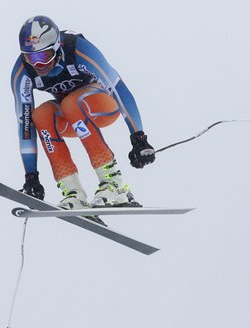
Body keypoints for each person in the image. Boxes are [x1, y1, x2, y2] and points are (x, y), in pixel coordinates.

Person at [10, 15, 155, 212]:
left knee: (71, 103)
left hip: (103, 105)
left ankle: (113, 184)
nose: (38, 65)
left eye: (43, 56)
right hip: (73, 119)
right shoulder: (23, 71)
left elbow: (119, 89)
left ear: (56, 46)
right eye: (30, 57)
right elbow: (24, 124)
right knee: (39, 115)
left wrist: (138, 137)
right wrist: (31, 176)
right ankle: (73, 192)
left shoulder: (76, 48)